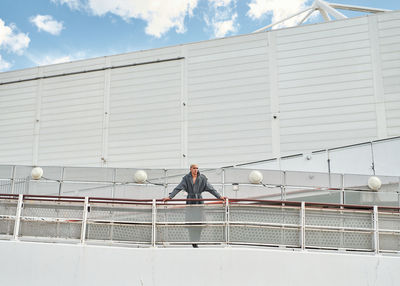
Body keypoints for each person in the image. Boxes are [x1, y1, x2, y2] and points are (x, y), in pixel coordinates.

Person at [162, 164, 226, 247]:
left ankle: (196, 241)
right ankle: (193, 242)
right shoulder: (186, 178)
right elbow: (178, 188)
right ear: (190, 169)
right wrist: (170, 197)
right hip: (190, 201)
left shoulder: (202, 178)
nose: (196, 170)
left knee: (199, 222)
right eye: (194, 168)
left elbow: (211, 189)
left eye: (197, 168)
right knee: (190, 222)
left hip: (199, 202)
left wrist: (220, 197)